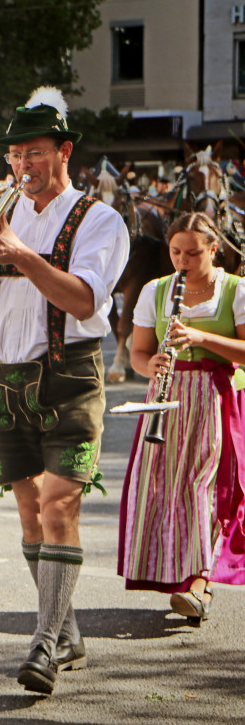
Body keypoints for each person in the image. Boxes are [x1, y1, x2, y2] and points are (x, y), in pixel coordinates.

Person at [0, 87, 129, 696]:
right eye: (16, 155)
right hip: (7, 378)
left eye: (35, 152)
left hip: (69, 373)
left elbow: (83, 298)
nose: (23, 164)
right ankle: (66, 627)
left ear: (64, 152)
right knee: (29, 509)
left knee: (59, 505)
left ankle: (45, 642)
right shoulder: (1, 217)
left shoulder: (98, 219)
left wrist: (20, 254)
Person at [118, 212, 245, 624]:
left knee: (205, 490)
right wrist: (149, 364)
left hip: (216, 396)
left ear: (214, 249)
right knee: (162, 488)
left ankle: (199, 582)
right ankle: (175, 573)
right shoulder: (156, 291)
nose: (183, 260)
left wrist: (202, 337)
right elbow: (138, 353)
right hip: (166, 398)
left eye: (193, 252)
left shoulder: (235, 290)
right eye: (175, 252)